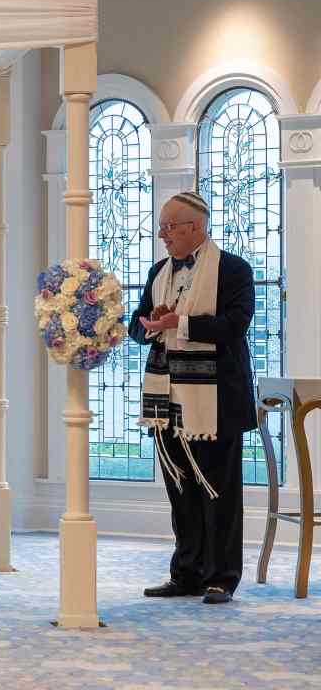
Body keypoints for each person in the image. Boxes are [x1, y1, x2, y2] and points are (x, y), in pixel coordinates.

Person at [129, 190, 256, 605]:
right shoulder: (159, 271)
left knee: (218, 489)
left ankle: (221, 576)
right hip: (168, 399)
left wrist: (179, 322)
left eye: (169, 227)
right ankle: (186, 572)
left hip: (217, 399)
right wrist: (150, 323)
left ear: (195, 228)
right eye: (162, 227)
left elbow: (234, 326)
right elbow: (137, 325)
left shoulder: (235, 270)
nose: (162, 235)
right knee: (180, 488)